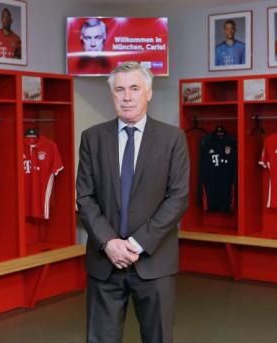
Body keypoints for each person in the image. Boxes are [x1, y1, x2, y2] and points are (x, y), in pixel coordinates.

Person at [76, 61, 189, 343]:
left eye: (134, 89)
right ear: (112, 95)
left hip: (154, 263)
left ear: (148, 93)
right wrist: (109, 243)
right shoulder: (92, 138)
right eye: (120, 90)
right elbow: (85, 197)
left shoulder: (172, 138)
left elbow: (178, 198)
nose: (127, 97)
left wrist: (137, 243)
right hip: (105, 263)